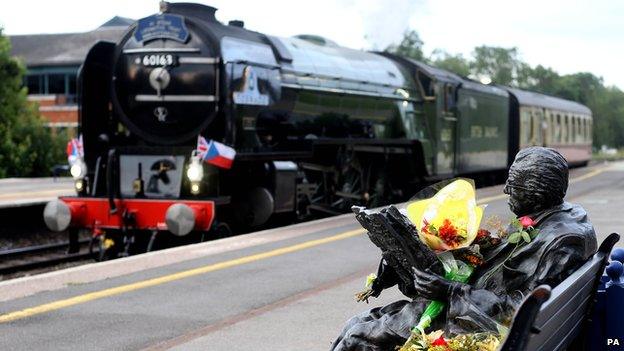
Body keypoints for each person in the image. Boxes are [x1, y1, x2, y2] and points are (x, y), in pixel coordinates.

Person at [330, 147, 597, 351]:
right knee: (358, 323)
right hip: (468, 307)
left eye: (512, 184)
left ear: (536, 191)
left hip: (472, 321)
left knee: (357, 336)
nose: (505, 190)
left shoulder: (561, 242)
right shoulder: (555, 218)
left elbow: (520, 308)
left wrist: (451, 291)